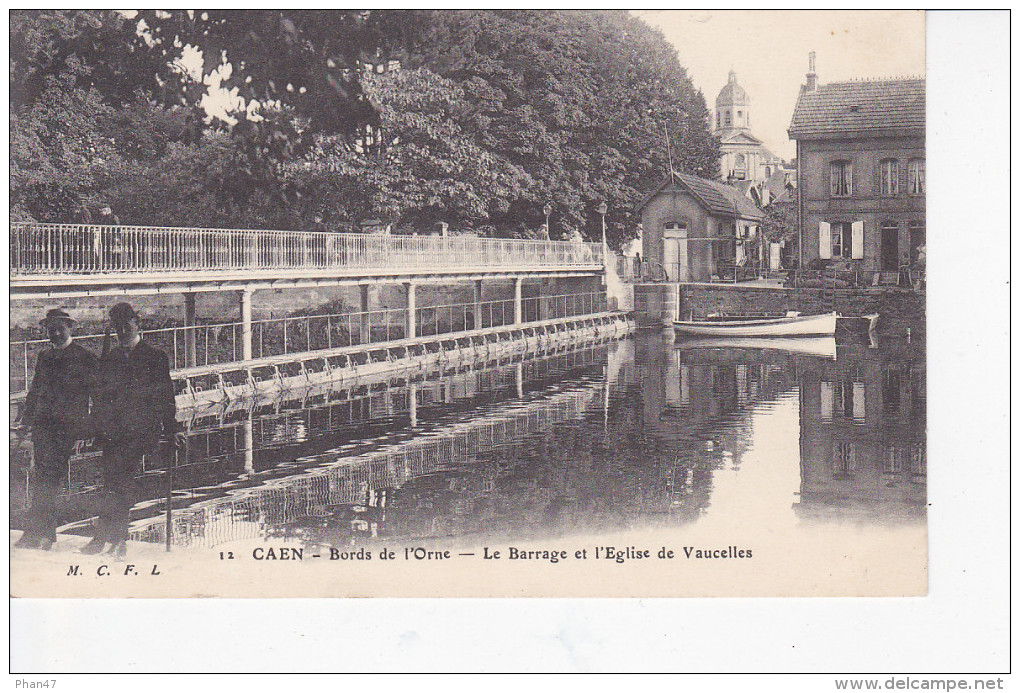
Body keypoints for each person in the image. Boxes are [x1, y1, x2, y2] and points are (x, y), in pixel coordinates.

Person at [85, 302, 183, 558]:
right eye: (118, 327)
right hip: (112, 431)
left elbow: (165, 395)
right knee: (110, 483)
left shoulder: (154, 356)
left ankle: (116, 539)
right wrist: (97, 428)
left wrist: (172, 428)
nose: (123, 331)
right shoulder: (111, 358)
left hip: (140, 430)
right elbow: (101, 398)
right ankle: (105, 537)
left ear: (136, 323)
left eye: (127, 325)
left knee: (122, 481)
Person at [17, 309, 98, 550]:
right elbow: (35, 391)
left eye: (59, 328)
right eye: (51, 329)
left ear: (69, 328)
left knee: (51, 477)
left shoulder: (85, 357)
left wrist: (89, 425)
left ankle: (42, 534)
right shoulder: (45, 357)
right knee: (42, 476)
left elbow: (98, 394)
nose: (55, 333)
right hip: (43, 426)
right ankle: (38, 533)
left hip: (67, 427)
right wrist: (26, 420)